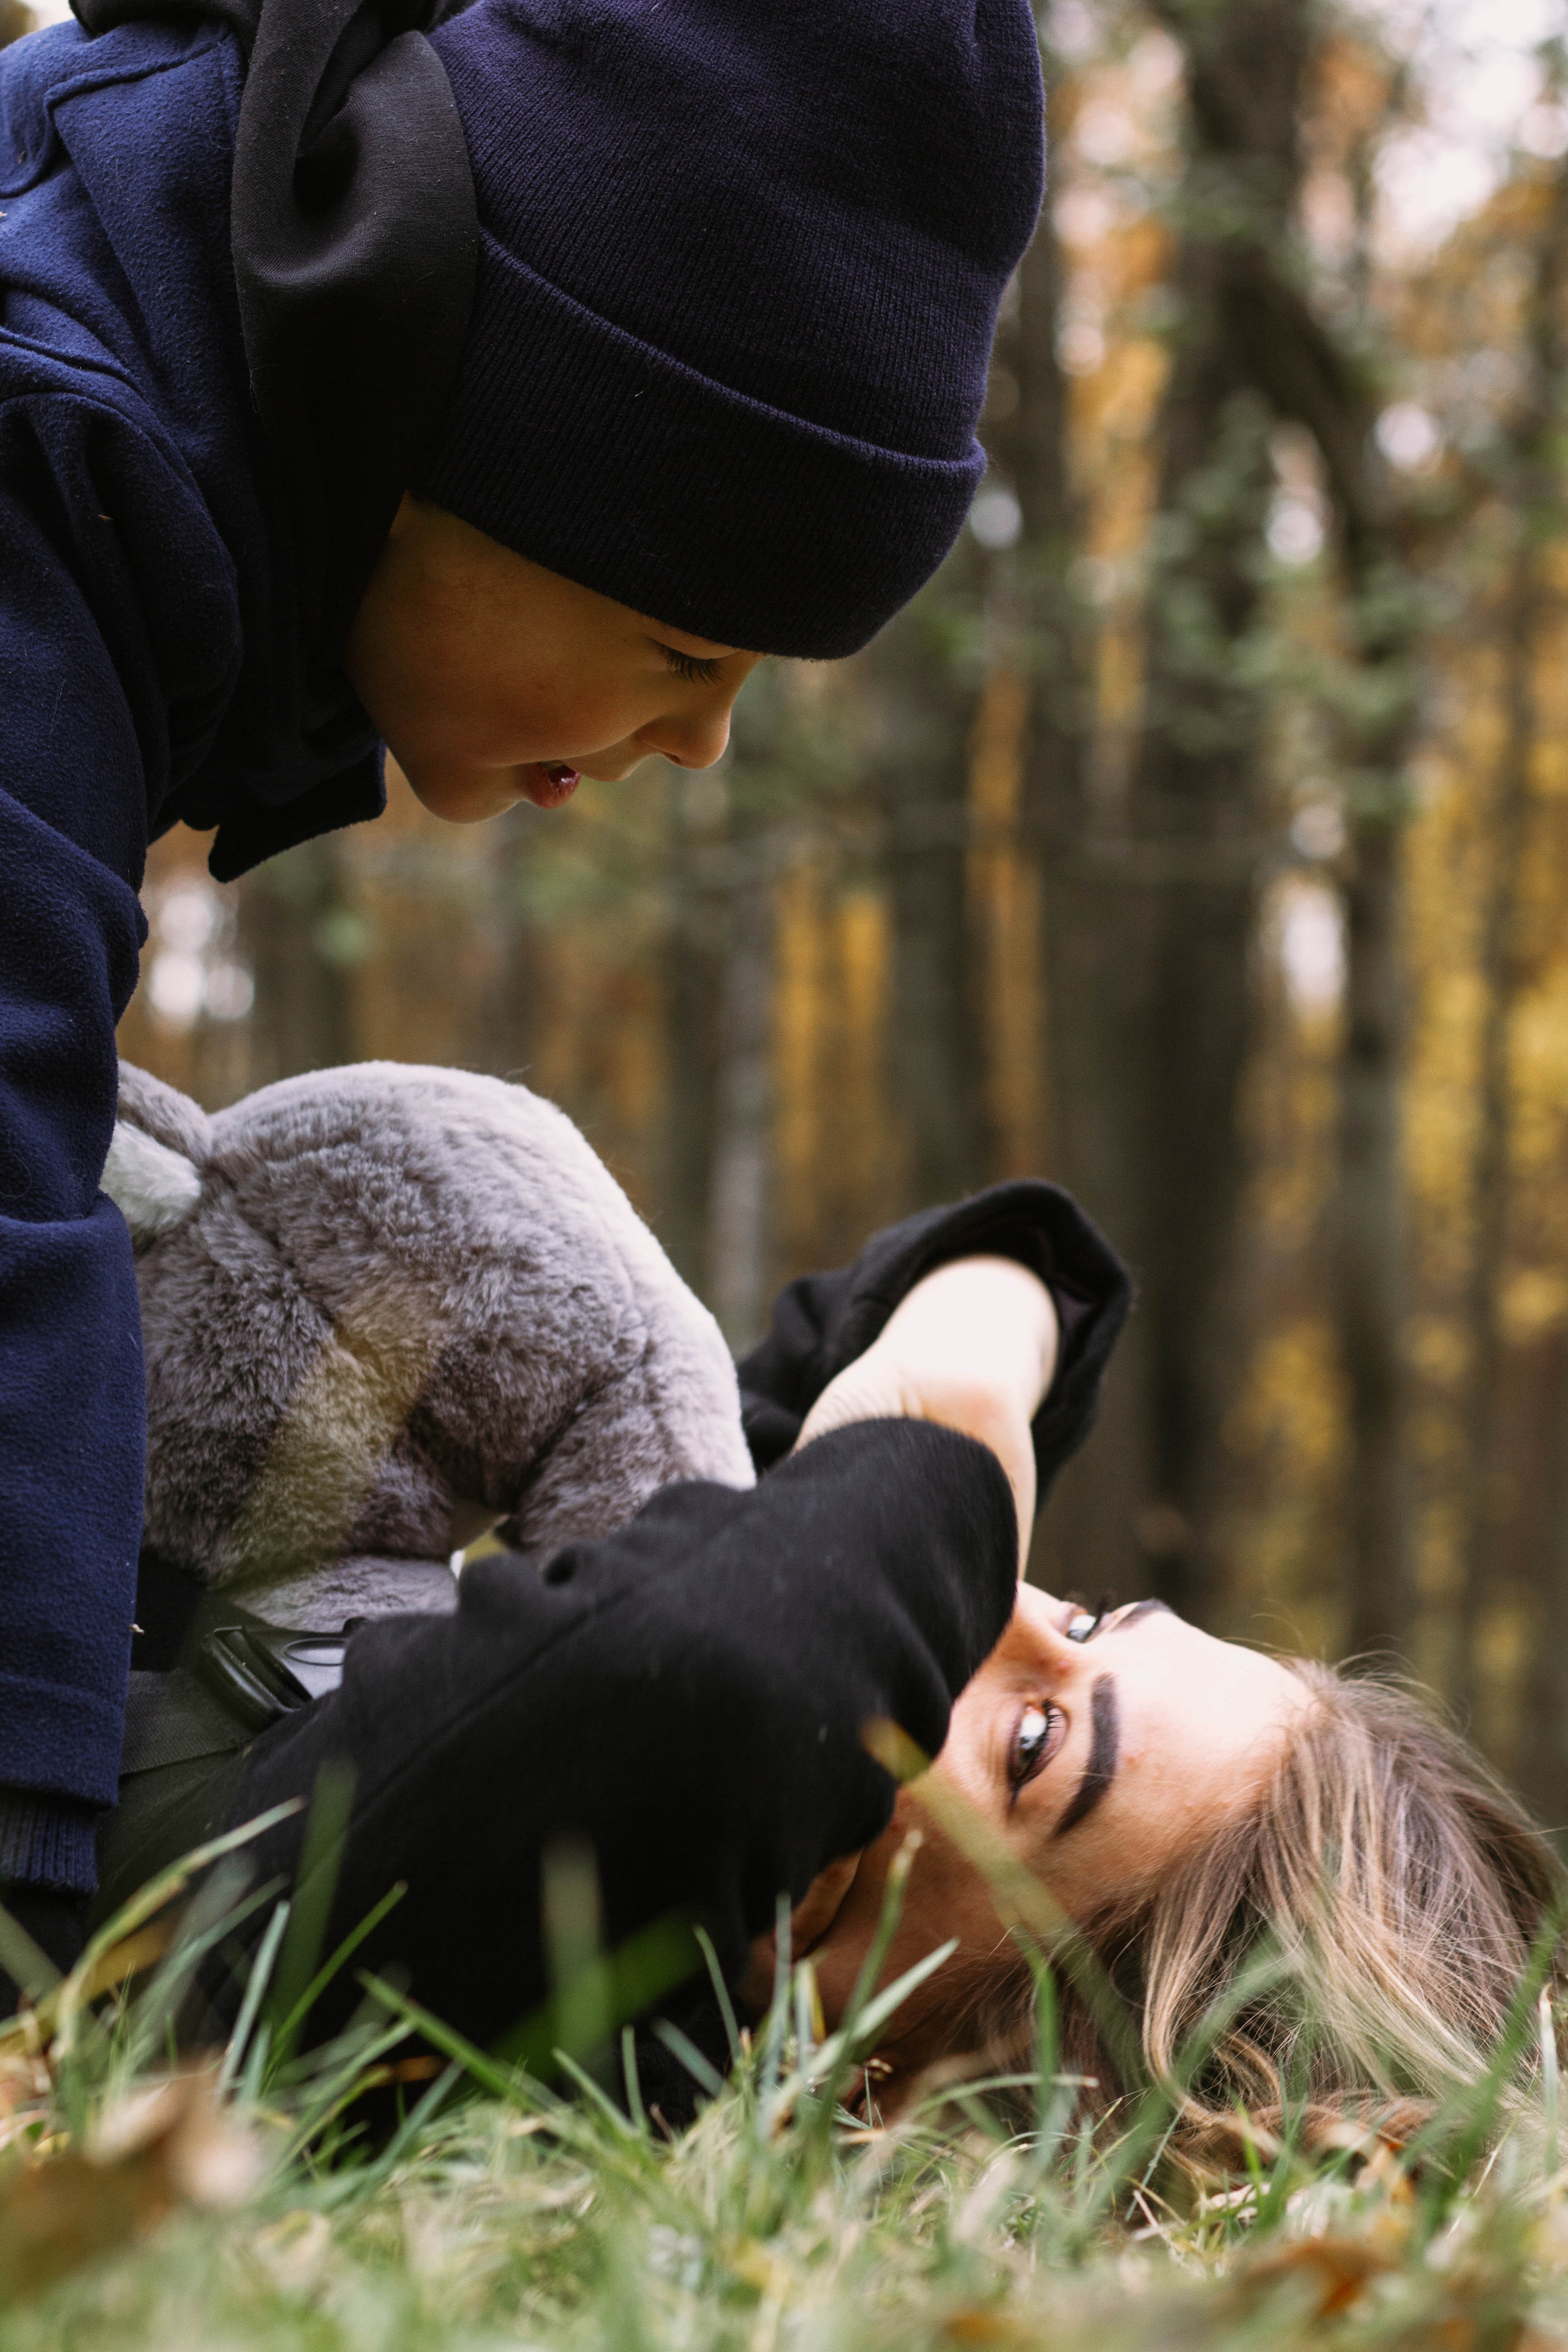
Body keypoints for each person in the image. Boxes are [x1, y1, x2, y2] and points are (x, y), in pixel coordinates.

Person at [0, 0, 1046, 1962]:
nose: (701, 743)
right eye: (679, 647)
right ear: (448, 423)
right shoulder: (47, 437)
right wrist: (28, 1872)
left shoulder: (155, 422)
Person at [78, 1178, 1562, 2162]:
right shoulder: (662, 1775)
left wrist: (951, 1410)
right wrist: (1004, 1315)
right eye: (1096, 1614)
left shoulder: (581, 1995)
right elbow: (849, 1367)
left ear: (924, 2086)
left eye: (1037, 1744)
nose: (989, 1608)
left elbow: (735, 1652)